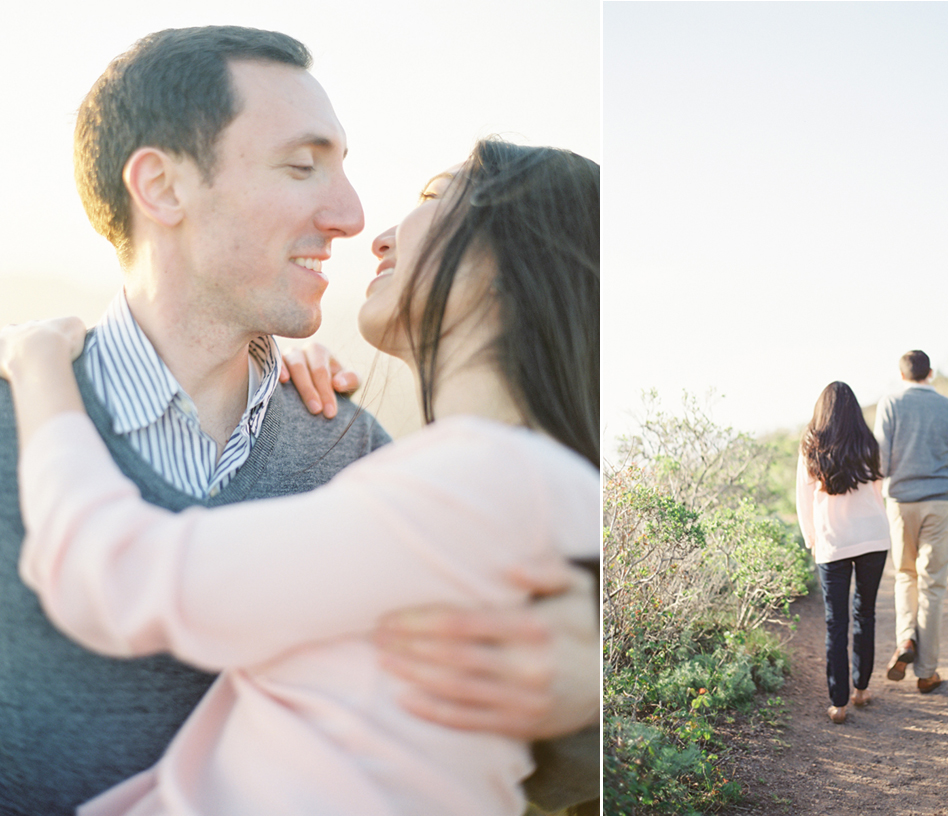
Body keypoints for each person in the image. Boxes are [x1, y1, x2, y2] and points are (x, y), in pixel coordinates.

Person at [0, 26, 596, 814]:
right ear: (163, 188)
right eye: (301, 165)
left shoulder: (351, 454)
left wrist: (584, 706)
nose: (353, 218)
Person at [873, 350, 948, 694]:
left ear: (902, 375)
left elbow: (880, 462)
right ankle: (927, 672)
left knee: (905, 576)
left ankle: (906, 639)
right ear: (930, 373)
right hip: (938, 503)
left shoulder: (889, 404)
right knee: (933, 585)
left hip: (901, 504)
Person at [797, 382, 892, 724]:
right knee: (865, 613)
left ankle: (838, 703)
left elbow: (803, 500)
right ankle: (862, 689)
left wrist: (812, 539)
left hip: (832, 542)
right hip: (873, 538)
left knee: (836, 622)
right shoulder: (870, 444)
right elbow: (881, 489)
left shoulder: (811, 445)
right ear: (855, 410)